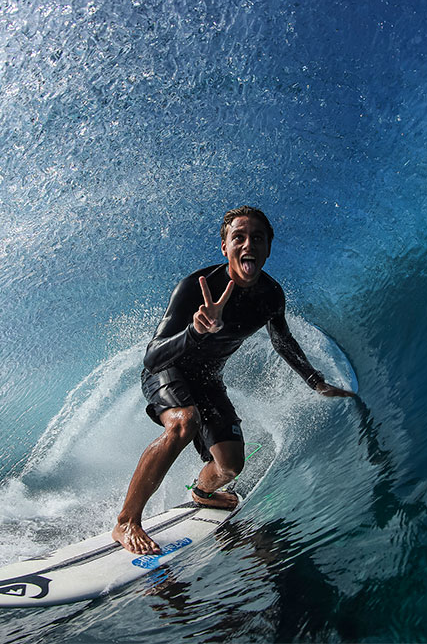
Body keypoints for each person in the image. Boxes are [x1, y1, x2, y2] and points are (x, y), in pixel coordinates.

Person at [112, 206, 356, 555]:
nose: (248, 244)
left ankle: (202, 492)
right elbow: (152, 357)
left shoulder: (271, 295)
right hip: (169, 369)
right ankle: (126, 522)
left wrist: (316, 382)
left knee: (230, 465)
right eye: (238, 237)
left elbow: (281, 339)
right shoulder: (197, 288)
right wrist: (195, 330)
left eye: (257, 238)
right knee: (184, 423)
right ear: (224, 247)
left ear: (269, 248)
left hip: (208, 380)